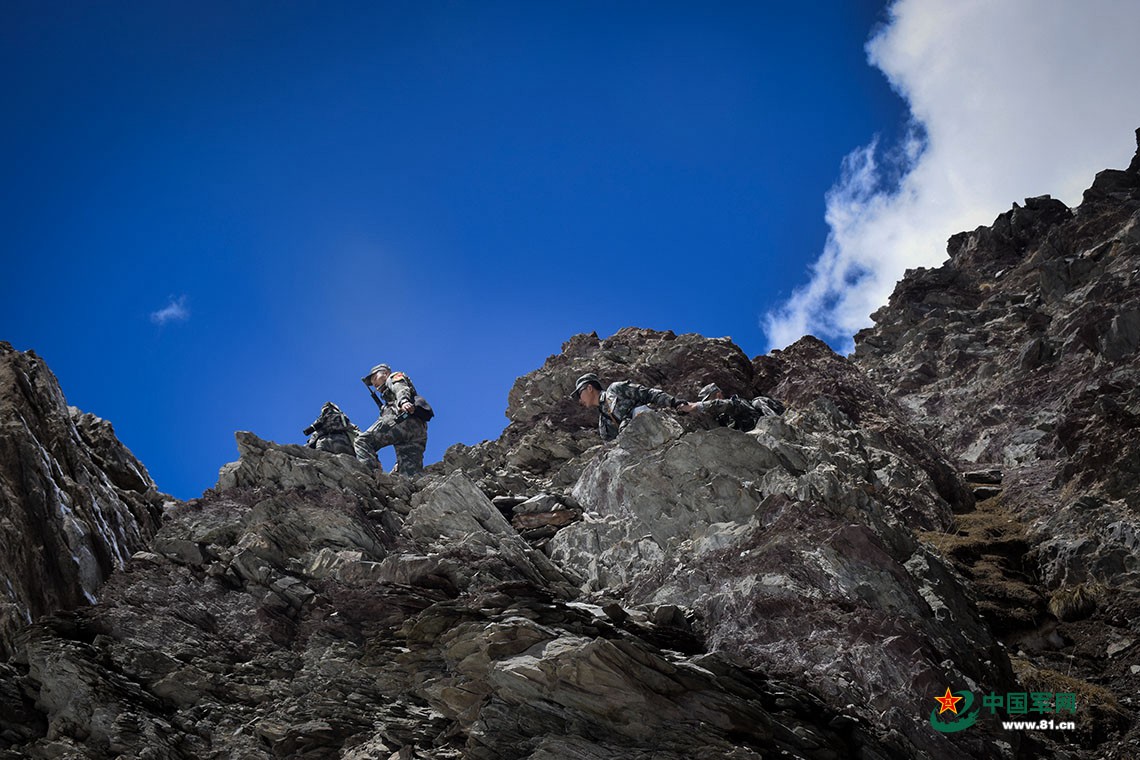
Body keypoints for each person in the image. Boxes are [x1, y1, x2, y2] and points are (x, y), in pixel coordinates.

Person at [354, 363, 433, 477]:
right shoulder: (387, 399)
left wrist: (404, 401)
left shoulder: (393, 377)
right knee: (410, 474)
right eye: (371, 383)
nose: (373, 383)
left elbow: (400, 387)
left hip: (402, 420)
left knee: (363, 441)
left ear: (385, 373)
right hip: (419, 430)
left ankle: (369, 478)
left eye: (375, 377)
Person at [571, 372, 696, 440]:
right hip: (638, 447)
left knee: (639, 411)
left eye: (579, 394)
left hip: (656, 430)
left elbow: (648, 394)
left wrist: (675, 402)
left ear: (589, 388)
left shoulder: (615, 390)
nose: (579, 400)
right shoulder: (603, 424)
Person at [692, 382, 785, 432]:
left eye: (710, 399)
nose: (709, 402)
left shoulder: (735, 403)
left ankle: (778, 423)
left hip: (769, 428)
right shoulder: (722, 419)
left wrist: (698, 405)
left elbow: (727, 405)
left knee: (758, 401)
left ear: (718, 395)